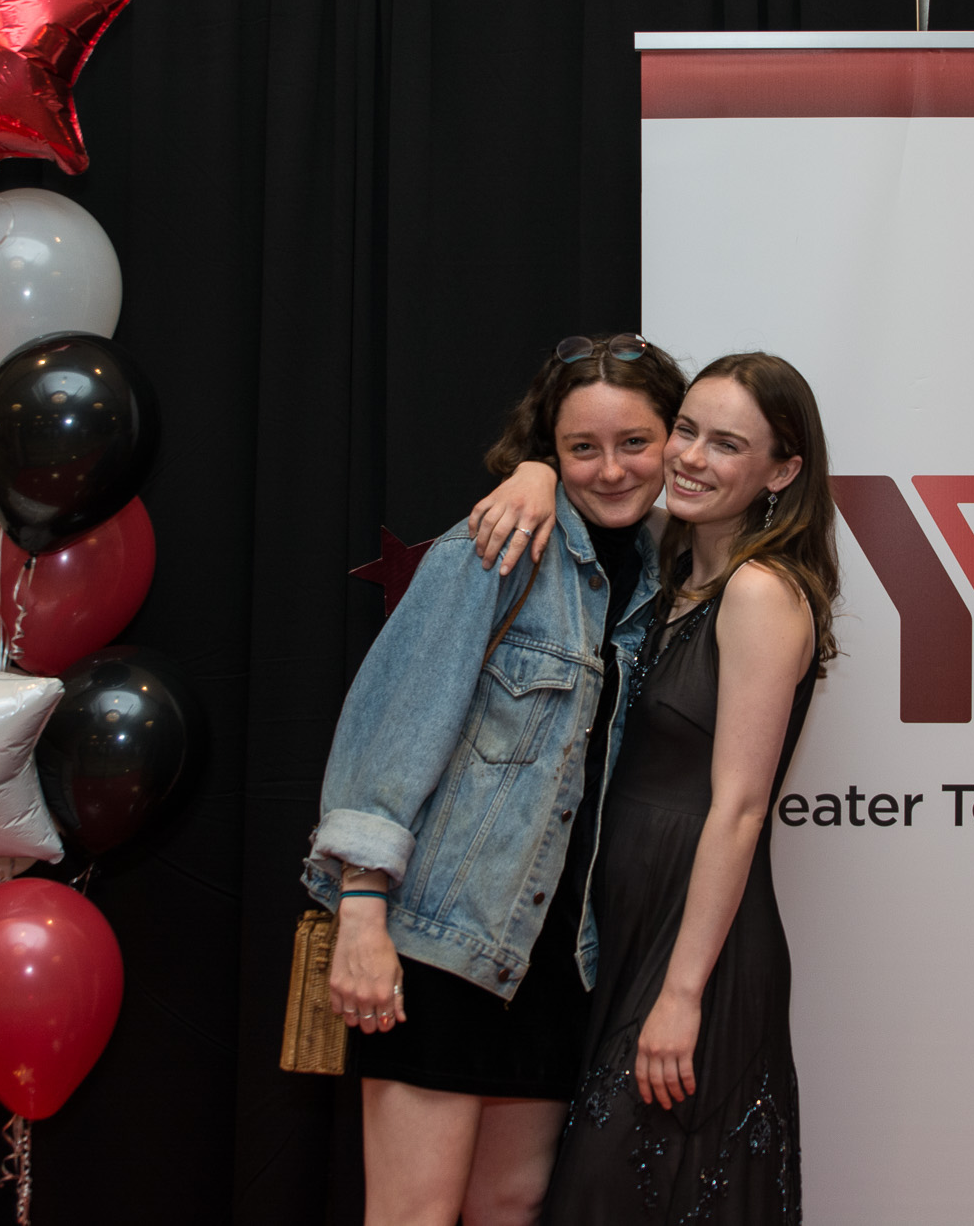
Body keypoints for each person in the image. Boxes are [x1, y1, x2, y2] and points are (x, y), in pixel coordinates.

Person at [302, 333, 688, 1226]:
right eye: (580, 448)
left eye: (635, 442)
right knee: (415, 1212)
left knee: (510, 1204)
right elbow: (390, 729)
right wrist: (362, 913)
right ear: (547, 449)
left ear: (675, 438)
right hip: (442, 940)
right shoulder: (498, 547)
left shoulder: (671, 576)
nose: (612, 468)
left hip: (562, 959)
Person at [535, 351, 841, 1224]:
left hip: (697, 946)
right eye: (688, 430)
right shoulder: (670, 575)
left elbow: (740, 810)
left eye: (728, 444)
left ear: (782, 471)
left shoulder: (759, 591)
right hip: (629, 933)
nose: (692, 457)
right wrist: (529, 472)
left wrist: (680, 993)